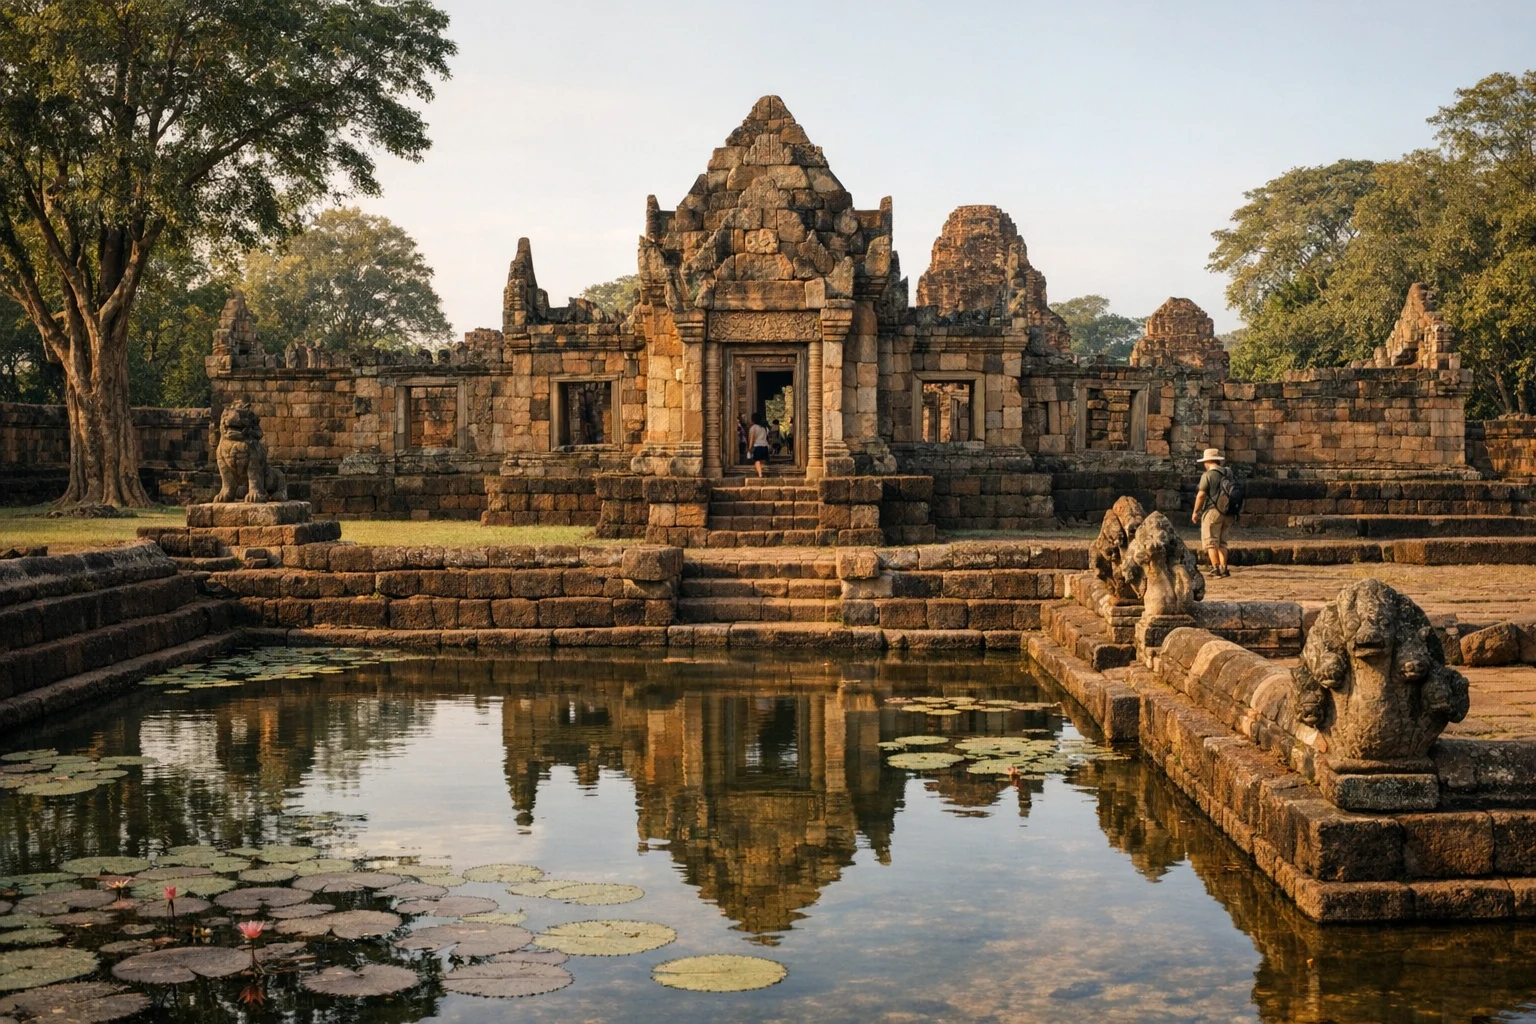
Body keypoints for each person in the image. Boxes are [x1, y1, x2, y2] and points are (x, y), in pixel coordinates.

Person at [1191, 447, 1235, 577]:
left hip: (1212, 511)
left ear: (1208, 461)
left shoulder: (1208, 475)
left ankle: (1215, 568)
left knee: (1211, 541)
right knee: (1222, 542)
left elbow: (1201, 495)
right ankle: (1224, 568)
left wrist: (1195, 512)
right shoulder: (1228, 472)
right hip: (1228, 511)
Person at [748, 412, 771, 478]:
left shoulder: (753, 428)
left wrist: (750, 448)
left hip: (757, 446)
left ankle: (760, 473)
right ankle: (760, 471)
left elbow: (752, 438)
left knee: (757, 461)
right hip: (765, 446)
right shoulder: (763, 428)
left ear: (753, 420)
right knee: (762, 461)